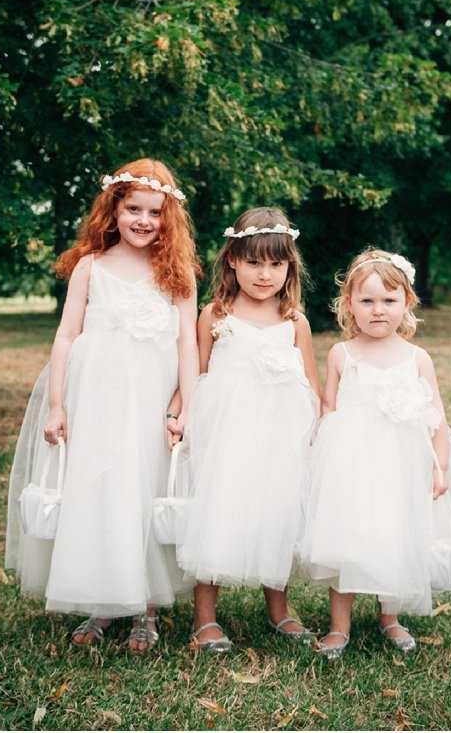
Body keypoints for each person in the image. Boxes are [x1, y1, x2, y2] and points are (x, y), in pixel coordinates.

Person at [5, 158, 200, 652]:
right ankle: (101, 602)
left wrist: (185, 407)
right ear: (112, 211)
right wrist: (56, 404)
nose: (143, 220)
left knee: (143, 488)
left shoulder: (176, 273)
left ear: (167, 217)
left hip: (149, 401)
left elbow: (187, 347)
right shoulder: (91, 267)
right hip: (92, 398)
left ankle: (147, 607)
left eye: (154, 212)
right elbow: (67, 335)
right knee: (98, 488)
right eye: (133, 208)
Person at [300, 248, 451, 659]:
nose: (379, 311)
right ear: (349, 306)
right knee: (347, 538)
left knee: (396, 535)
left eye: (389, 301)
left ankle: (389, 617)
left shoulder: (417, 358)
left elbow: (436, 415)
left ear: (407, 303)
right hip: (352, 463)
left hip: (402, 464)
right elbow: (329, 406)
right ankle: (339, 626)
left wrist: (440, 466)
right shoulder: (342, 354)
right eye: (367, 301)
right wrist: (325, 452)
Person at [177, 208, 321, 652]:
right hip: (226, 434)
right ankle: (205, 618)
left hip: (281, 436)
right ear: (233, 260)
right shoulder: (214, 315)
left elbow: (312, 386)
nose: (265, 274)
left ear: (289, 268)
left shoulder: (294, 321)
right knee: (218, 510)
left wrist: (319, 432)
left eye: (276, 264)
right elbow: (196, 374)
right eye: (255, 262)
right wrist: (180, 417)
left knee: (275, 512)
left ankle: (279, 609)